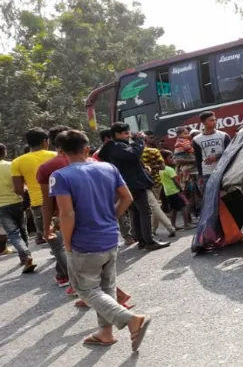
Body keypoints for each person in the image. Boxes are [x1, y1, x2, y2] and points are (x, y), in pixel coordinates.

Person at [50, 130, 151, 350]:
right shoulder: (108, 168)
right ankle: (106, 333)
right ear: (87, 148)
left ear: (60, 151)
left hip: (83, 242)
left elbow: (67, 214)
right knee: (107, 287)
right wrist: (111, 217)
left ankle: (131, 320)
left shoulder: (61, 176)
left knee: (86, 290)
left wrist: (67, 244)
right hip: (109, 237)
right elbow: (127, 197)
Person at [11, 128, 70, 287]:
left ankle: (67, 277)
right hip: (64, 199)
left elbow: (18, 189)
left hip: (40, 204)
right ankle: (70, 274)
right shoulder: (55, 156)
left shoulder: (18, 162)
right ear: (46, 141)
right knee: (71, 240)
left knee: (57, 245)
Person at [98, 122, 169, 251]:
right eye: (126, 133)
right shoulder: (118, 146)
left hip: (127, 183)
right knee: (145, 211)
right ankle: (149, 241)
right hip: (134, 183)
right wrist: (140, 140)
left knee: (136, 212)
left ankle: (142, 240)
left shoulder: (115, 146)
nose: (128, 135)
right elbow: (134, 154)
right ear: (117, 134)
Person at [0, 143, 36, 273]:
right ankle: (25, 256)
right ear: (5, 152)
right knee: (23, 230)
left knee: (13, 233)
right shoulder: (12, 165)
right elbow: (22, 185)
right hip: (17, 202)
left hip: (1, 206)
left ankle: (26, 256)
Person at [95, 129, 134, 245]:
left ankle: (128, 235)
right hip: (111, 185)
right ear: (107, 138)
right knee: (120, 210)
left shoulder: (105, 151)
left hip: (115, 184)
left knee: (124, 210)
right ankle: (125, 235)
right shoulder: (101, 153)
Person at [137, 133, 175, 237]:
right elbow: (162, 167)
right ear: (146, 140)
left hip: (143, 183)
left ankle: (159, 229)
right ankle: (157, 229)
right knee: (155, 206)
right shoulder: (154, 151)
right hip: (157, 182)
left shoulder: (135, 153)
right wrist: (153, 166)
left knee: (154, 207)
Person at [192, 111, 231, 189]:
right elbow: (198, 158)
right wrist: (200, 174)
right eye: (211, 120)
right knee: (211, 197)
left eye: (215, 120)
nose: (214, 122)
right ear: (203, 123)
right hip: (208, 173)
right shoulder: (196, 139)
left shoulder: (224, 136)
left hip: (224, 170)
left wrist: (217, 157)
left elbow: (231, 152)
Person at [160, 150, 192, 232]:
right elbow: (175, 181)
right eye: (170, 157)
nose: (173, 159)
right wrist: (180, 189)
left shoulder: (160, 170)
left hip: (168, 191)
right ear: (164, 159)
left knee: (174, 208)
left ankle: (173, 225)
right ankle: (186, 224)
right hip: (175, 190)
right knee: (185, 205)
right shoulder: (169, 169)